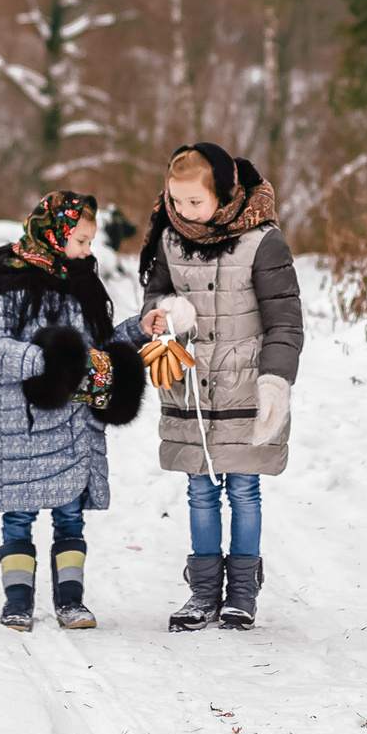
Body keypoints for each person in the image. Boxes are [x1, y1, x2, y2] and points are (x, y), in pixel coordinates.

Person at [137, 143, 303, 631]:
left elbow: (284, 321)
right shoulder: (169, 238)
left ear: (225, 194)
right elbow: (154, 295)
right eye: (176, 200)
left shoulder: (263, 241)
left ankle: (243, 594)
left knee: (244, 488)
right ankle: (204, 593)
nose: (184, 211)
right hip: (190, 385)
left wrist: (276, 381)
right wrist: (162, 312)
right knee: (200, 489)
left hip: (244, 385)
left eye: (195, 202)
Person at [0, 190, 148, 631]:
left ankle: (71, 601)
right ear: (55, 232)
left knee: (70, 515)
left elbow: (98, 346)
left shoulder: (82, 281)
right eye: (81, 241)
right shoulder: (11, 279)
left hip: (72, 424)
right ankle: (18, 601)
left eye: (90, 242)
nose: (87, 251)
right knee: (19, 516)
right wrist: (45, 362)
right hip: (24, 422)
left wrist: (138, 330)